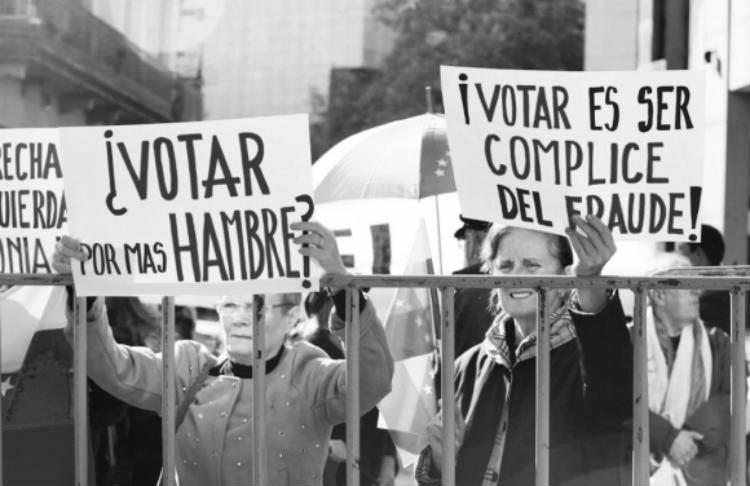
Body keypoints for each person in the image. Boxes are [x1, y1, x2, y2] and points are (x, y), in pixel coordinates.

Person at [52, 220, 394, 486]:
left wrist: (339, 280)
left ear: (291, 317)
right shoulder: (187, 367)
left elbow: (373, 380)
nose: (243, 317)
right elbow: (114, 368)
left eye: (258, 306)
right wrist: (81, 291)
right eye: (231, 304)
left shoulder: (310, 373)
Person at [416, 214, 633, 486]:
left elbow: (617, 402)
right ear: (490, 273)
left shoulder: (591, 354)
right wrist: (439, 464)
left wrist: (590, 280)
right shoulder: (467, 365)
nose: (517, 277)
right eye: (505, 265)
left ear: (566, 274)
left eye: (532, 265)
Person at [646, 253, 732, 486]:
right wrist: (667, 437)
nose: (698, 293)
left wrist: (680, 439)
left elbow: (729, 403)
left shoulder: (718, 342)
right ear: (658, 294)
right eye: (688, 286)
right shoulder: (627, 340)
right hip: (635, 469)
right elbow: (615, 403)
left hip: (698, 468)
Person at [299, 291, 398, 486]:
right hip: (338, 461)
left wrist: (388, 456)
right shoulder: (313, 351)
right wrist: (326, 448)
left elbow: (375, 403)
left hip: (369, 457)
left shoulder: (362, 343)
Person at [671, 224, 731, 334]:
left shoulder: (704, 303)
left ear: (698, 254)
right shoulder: (727, 290)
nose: (675, 257)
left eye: (680, 249)